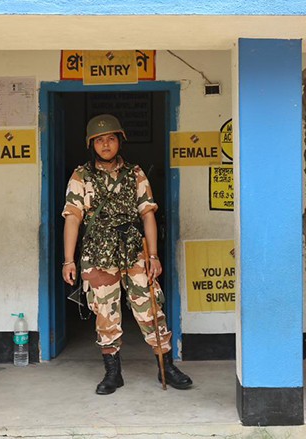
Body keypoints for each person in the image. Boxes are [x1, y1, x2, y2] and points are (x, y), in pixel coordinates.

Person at [61, 114, 192, 395]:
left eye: (110, 138)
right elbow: (72, 218)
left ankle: (165, 367)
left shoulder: (135, 173)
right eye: (99, 140)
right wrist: (68, 260)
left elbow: (148, 214)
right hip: (97, 255)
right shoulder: (81, 175)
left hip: (134, 251)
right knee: (105, 314)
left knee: (150, 309)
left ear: (120, 141)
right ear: (91, 144)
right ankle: (112, 372)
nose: (105, 144)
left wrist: (153, 256)